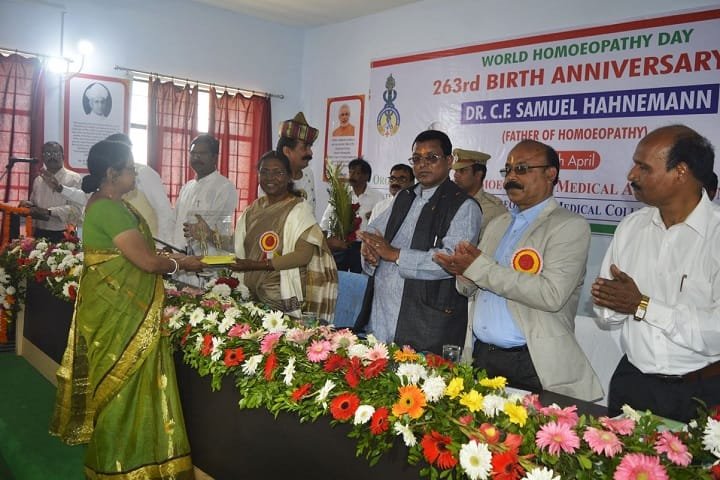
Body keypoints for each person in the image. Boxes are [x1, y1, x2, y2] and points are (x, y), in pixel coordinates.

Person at [50, 140, 204, 478]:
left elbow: (136, 254)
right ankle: (119, 465)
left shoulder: (114, 204)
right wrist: (180, 264)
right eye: (130, 169)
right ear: (112, 174)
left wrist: (171, 258)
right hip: (119, 312)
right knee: (122, 386)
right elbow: (146, 262)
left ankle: (138, 458)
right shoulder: (109, 209)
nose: (134, 173)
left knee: (127, 385)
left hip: (119, 306)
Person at [435, 139, 602, 401]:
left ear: (550, 174)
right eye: (508, 170)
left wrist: (478, 268)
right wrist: (463, 274)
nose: (511, 177)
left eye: (522, 169)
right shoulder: (498, 223)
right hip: (481, 355)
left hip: (529, 362)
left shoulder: (568, 226)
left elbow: (551, 294)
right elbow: (474, 287)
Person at [592, 125, 720, 422]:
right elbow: (605, 313)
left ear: (681, 172)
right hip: (633, 383)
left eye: (643, 167)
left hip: (701, 391)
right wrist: (615, 303)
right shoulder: (631, 227)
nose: (631, 175)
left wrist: (642, 305)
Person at [358, 130, 482, 354]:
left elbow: (451, 260)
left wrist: (396, 254)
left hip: (424, 320)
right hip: (381, 313)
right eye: (416, 159)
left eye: (431, 158)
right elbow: (374, 229)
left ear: (449, 161)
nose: (422, 165)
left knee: (413, 376)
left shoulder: (464, 206)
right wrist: (369, 248)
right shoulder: (404, 196)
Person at [232, 151, 337, 322]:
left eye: (278, 172)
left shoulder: (299, 209)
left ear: (289, 177)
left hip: (281, 296)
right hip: (250, 295)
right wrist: (208, 234)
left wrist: (255, 265)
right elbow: (239, 243)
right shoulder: (253, 209)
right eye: (264, 172)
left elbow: (303, 255)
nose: (270, 177)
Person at [43, 133, 176, 244]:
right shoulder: (109, 178)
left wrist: (164, 245)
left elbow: (164, 211)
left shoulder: (144, 173)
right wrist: (60, 189)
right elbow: (86, 197)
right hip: (119, 244)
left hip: (149, 243)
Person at [172, 134, 238, 255]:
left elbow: (211, 229)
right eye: (193, 153)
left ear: (214, 158)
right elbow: (175, 222)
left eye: (202, 153)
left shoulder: (224, 187)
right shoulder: (186, 187)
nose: (196, 157)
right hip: (180, 258)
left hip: (209, 261)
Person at [320, 158, 384, 272]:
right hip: (342, 244)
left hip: (363, 246)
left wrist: (374, 216)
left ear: (366, 176)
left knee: (359, 278)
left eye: (357, 173)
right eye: (350, 172)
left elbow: (383, 222)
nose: (352, 176)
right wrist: (323, 238)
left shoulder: (377, 197)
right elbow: (327, 217)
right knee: (338, 276)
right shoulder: (342, 194)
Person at [20, 141, 82, 243]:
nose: (52, 156)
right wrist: (27, 205)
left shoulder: (74, 178)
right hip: (39, 232)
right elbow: (35, 205)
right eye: (48, 153)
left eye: (56, 153)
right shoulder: (38, 180)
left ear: (63, 156)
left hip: (63, 233)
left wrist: (49, 211)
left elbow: (76, 210)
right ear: (43, 158)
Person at [451, 148, 507, 236]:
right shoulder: (449, 201)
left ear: (478, 175)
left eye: (462, 171)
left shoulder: (494, 209)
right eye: (456, 171)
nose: (456, 175)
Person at [273, 112, 319, 211]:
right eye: (304, 148)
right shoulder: (271, 179)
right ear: (287, 151)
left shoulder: (308, 173)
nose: (310, 153)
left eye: (310, 147)